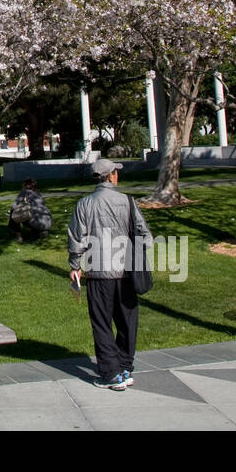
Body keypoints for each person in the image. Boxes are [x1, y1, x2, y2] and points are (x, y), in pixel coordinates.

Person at [67, 158, 152, 390]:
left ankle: (112, 373)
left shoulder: (84, 204)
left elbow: (77, 239)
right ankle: (124, 366)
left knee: (102, 323)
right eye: (116, 172)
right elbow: (145, 235)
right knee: (127, 321)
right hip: (126, 270)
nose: (117, 175)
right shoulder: (128, 201)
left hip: (98, 272)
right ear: (111, 176)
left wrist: (75, 265)